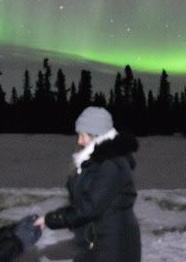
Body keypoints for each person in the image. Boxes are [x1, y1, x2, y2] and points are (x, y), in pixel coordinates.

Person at [36, 106, 141, 262]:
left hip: (112, 248)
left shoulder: (110, 165)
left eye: (82, 135)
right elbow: (82, 200)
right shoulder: (97, 162)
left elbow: (88, 207)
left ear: (95, 134)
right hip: (99, 242)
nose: (79, 141)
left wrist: (50, 219)